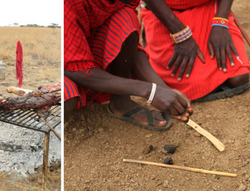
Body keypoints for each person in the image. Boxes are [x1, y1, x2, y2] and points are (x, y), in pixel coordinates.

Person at [63, 0, 193, 131]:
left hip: (90, 52)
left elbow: (128, 41)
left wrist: (163, 89)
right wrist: (151, 91)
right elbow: (76, 71)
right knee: (67, 96)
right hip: (69, 69)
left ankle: (121, 102)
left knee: (125, 16)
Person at [141, 0, 250, 102]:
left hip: (208, 7)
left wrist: (221, 22)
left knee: (238, 78)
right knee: (192, 85)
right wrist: (181, 35)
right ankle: (149, 37)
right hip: (167, 14)